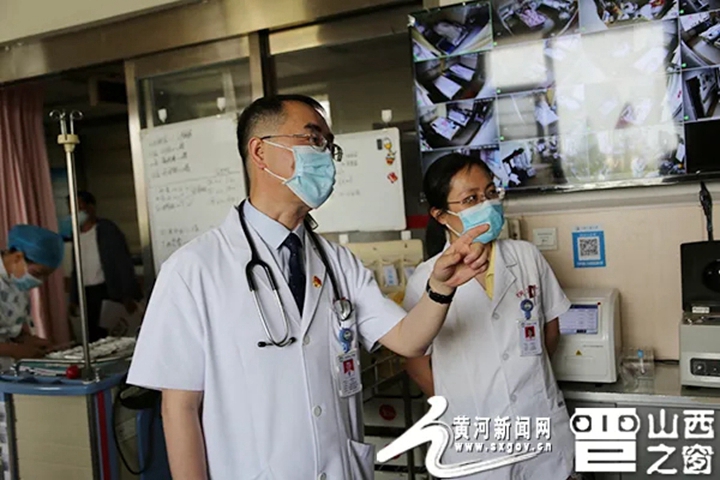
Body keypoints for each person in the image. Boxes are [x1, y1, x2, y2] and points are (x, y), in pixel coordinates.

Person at [127, 94, 491, 480]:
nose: (326, 157)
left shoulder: (338, 262)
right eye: (314, 139)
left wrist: (440, 288)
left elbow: (407, 339)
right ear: (261, 152)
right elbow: (179, 408)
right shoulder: (193, 270)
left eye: (329, 145)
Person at [404, 153, 575, 480]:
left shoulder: (526, 257)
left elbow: (550, 332)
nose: (487, 204)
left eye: (491, 193)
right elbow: (416, 363)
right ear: (441, 215)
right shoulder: (425, 280)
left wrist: (525, 378)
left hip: (538, 426)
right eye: (471, 199)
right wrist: (459, 405)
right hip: (474, 440)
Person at [60, 191, 141, 341]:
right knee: (91, 336)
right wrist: (73, 298)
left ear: (90, 207)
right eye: (71, 208)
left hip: (106, 290)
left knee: (111, 335)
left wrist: (127, 294)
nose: (74, 212)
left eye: (78, 207)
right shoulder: (76, 234)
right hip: (86, 293)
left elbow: (122, 262)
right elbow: (76, 269)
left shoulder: (107, 230)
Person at [0, 225, 64, 367]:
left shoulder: (16, 280)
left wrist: (29, 340)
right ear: (18, 257)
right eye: (37, 274)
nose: (40, 281)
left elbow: (10, 328)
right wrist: (16, 350)